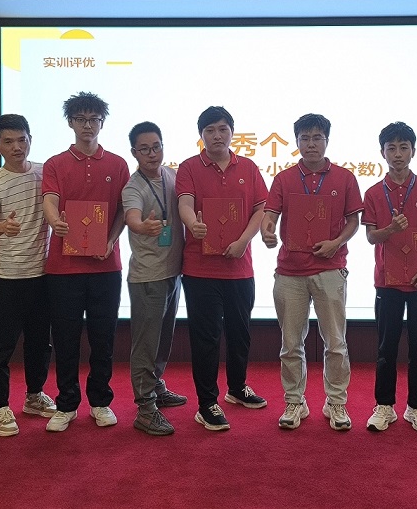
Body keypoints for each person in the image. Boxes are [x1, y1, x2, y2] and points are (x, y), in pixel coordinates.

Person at [261, 113, 363, 431]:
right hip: (290, 272)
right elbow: (270, 215)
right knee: (291, 344)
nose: (311, 144)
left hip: (330, 269)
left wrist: (336, 243)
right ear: (296, 142)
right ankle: (295, 401)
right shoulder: (284, 178)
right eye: (304, 138)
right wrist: (267, 231)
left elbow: (354, 221)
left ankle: (336, 402)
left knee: (336, 343)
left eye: (317, 137)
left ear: (327, 140)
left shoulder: (345, 178)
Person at [176, 106, 268, 431]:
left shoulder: (249, 167)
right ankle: (207, 403)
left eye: (222, 129)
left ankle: (237, 388)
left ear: (232, 132)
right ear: (201, 135)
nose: (217, 136)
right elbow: (185, 203)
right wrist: (193, 224)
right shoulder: (189, 167)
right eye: (210, 130)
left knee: (240, 333)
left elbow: (261, 208)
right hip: (200, 269)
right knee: (206, 338)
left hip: (240, 267)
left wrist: (243, 241)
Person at [41, 92, 130, 432]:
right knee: (65, 339)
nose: (87, 125)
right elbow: (50, 200)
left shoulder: (118, 164)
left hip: (105, 265)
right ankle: (66, 404)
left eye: (94, 119)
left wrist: (111, 240)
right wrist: (55, 221)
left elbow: (122, 210)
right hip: (63, 267)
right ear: (70, 123)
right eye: (81, 119)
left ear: (102, 123)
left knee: (103, 337)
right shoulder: (55, 163)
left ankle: (100, 401)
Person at [362, 122, 417, 434]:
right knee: (386, 348)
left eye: (404, 147)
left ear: (413, 151)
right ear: (382, 152)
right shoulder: (374, 193)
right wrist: (390, 230)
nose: (398, 154)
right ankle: (384, 406)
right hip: (387, 282)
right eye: (391, 148)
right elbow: (371, 237)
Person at [0, 114, 56, 437]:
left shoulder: (44, 173)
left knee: (40, 343)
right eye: (8, 142)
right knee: (1, 347)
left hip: (43, 276)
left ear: (30, 140)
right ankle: (0, 408)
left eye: (22, 140)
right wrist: (2, 227)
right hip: (8, 278)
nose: (17, 147)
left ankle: (34, 396)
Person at [122, 121, 187, 436]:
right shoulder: (133, 187)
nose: (152, 154)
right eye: (144, 149)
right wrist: (141, 226)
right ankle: (145, 409)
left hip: (173, 272)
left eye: (156, 147)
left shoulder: (172, 175)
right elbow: (132, 216)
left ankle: (156, 386)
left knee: (163, 339)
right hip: (148, 277)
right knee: (146, 344)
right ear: (134, 152)